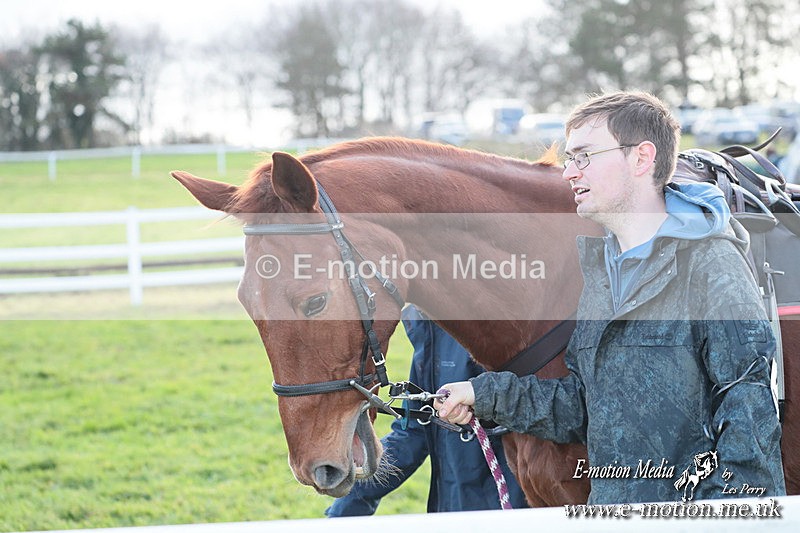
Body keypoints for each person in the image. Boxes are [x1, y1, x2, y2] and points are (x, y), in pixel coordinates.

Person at [436, 91, 786, 504]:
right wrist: (484, 395)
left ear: (641, 158)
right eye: (569, 159)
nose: (569, 173)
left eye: (584, 156)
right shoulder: (604, 273)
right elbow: (586, 406)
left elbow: (750, 419)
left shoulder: (711, 263)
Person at [326, 305, 527, 516]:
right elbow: (414, 433)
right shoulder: (431, 329)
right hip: (451, 509)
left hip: (511, 510)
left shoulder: (496, 324)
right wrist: (349, 501)